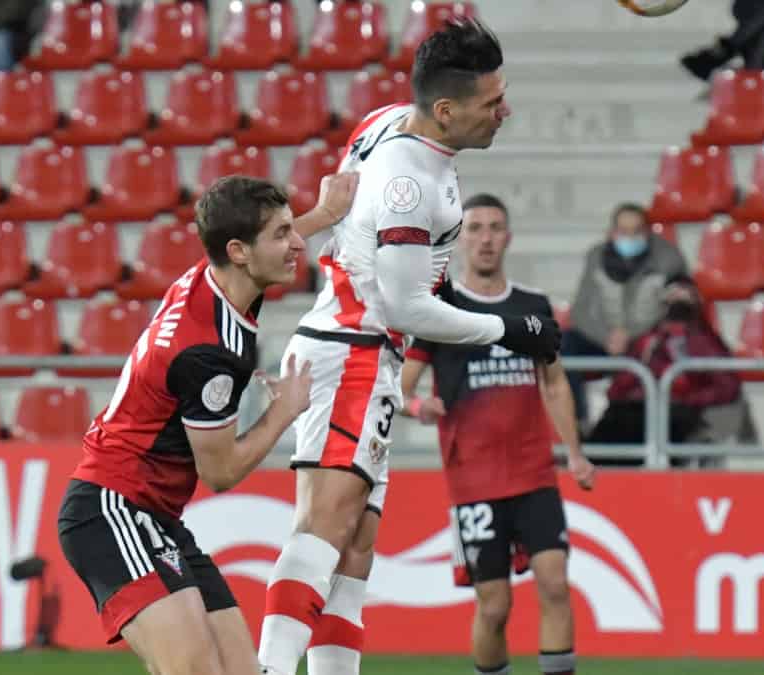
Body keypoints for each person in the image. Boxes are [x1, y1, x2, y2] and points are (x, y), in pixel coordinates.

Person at [258, 19, 563, 675]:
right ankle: (271, 668)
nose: (503, 111)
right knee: (326, 523)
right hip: (355, 346)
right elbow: (403, 305)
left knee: (356, 544)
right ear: (446, 109)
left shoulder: (387, 120)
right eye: (491, 102)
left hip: (361, 348)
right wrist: (508, 327)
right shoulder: (410, 182)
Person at [57, 173, 356, 675]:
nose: (297, 244)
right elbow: (221, 473)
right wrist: (285, 409)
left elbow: (255, 247)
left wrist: (323, 216)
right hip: (113, 509)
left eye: (291, 228)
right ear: (238, 251)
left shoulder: (215, 280)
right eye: (284, 233)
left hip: (155, 515)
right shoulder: (208, 353)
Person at [400, 193, 595, 675]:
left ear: (508, 237)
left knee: (554, 583)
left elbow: (553, 381)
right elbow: (396, 387)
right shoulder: (440, 307)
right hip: (473, 481)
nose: (485, 238)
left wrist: (574, 453)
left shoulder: (533, 307)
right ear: (461, 238)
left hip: (534, 472)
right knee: (494, 607)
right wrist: (419, 406)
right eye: (476, 228)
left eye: (494, 228)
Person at [587, 275, 741, 460]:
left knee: (670, 431)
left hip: (678, 409)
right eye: (673, 296)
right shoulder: (646, 339)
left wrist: (689, 398)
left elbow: (728, 387)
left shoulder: (706, 340)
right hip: (636, 407)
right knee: (611, 430)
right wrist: (642, 361)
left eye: (685, 297)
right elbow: (616, 390)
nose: (678, 303)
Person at [562, 203, 687, 427]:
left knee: (669, 349)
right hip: (604, 341)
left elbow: (676, 310)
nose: (629, 237)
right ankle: (576, 421)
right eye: (623, 231)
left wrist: (630, 334)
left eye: (636, 231)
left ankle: (658, 431)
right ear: (612, 232)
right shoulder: (596, 257)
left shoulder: (669, 259)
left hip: (644, 342)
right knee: (563, 344)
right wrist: (607, 337)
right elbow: (580, 311)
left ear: (647, 232)